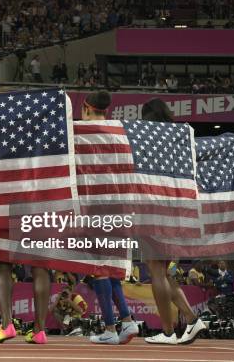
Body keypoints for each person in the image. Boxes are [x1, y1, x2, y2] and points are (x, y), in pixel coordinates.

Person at [140, 98, 205, 345]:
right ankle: (190, 317)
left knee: (154, 268)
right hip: (178, 205)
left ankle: (167, 332)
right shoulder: (182, 134)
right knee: (163, 270)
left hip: (154, 204)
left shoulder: (148, 135)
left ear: (148, 117)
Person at [80, 91, 139, 345]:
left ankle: (109, 328)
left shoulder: (81, 131)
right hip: (121, 207)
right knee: (110, 269)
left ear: (85, 108)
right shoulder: (121, 131)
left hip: (97, 207)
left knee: (99, 269)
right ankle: (126, 322)